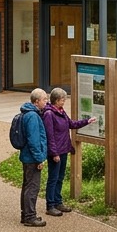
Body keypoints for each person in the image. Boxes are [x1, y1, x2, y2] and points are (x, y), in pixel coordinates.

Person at [41, 86, 94, 216]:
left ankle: (58, 201)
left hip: (64, 149)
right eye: (63, 100)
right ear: (57, 100)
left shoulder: (61, 111)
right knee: (53, 178)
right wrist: (54, 153)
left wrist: (87, 121)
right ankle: (50, 205)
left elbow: (71, 124)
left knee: (60, 177)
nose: (64, 102)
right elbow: (50, 135)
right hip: (56, 152)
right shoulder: (49, 114)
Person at [18, 88, 49, 226]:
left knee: (27, 185)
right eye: (44, 99)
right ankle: (30, 216)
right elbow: (34, 140)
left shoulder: (28, 113)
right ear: (36, 102)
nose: (46, 102)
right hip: (32, 158)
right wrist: (39, 158)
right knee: (32, 186)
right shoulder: (33, 116)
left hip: (26, 156)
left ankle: (26, 214)